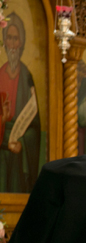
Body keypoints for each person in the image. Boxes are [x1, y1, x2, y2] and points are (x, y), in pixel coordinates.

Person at [0, 13, 41, 193]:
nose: (13, 44)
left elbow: (35, 126)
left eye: (16, 39)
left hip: (19, 144)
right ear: (4, 41)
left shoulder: (27, 77)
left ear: (22, 43)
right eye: (9, 37)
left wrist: (22, 143)